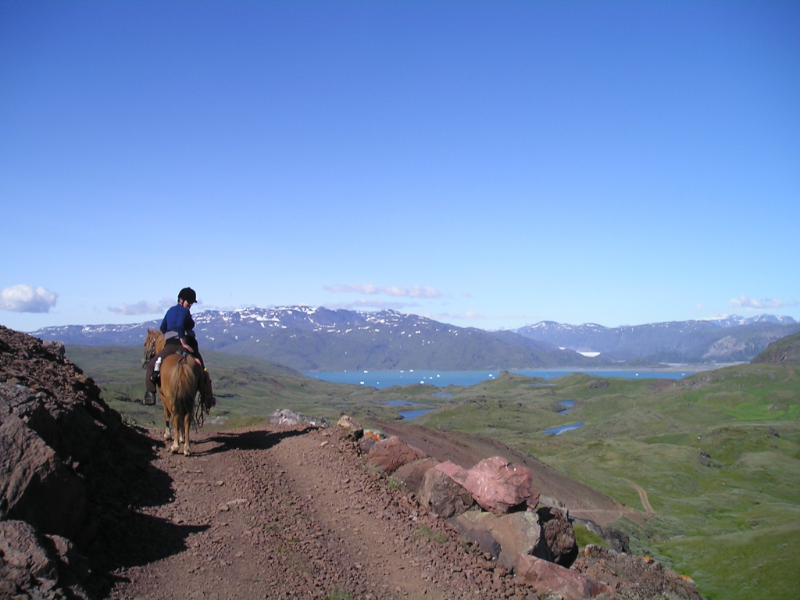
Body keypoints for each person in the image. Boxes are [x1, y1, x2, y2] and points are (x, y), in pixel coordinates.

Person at [144, 287, 213, 406]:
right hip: (187, 343)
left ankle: (150, 394)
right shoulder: (185, 311)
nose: (190, 305)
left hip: (170, 346)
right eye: (189, 302)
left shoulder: (170, 311)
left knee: (151, 366)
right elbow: (180, 325)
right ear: (181, 300)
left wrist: (170, 336)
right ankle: (206, 397)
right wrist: (183, 342)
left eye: (191, 303)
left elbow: (162, 328)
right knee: (202, 368)